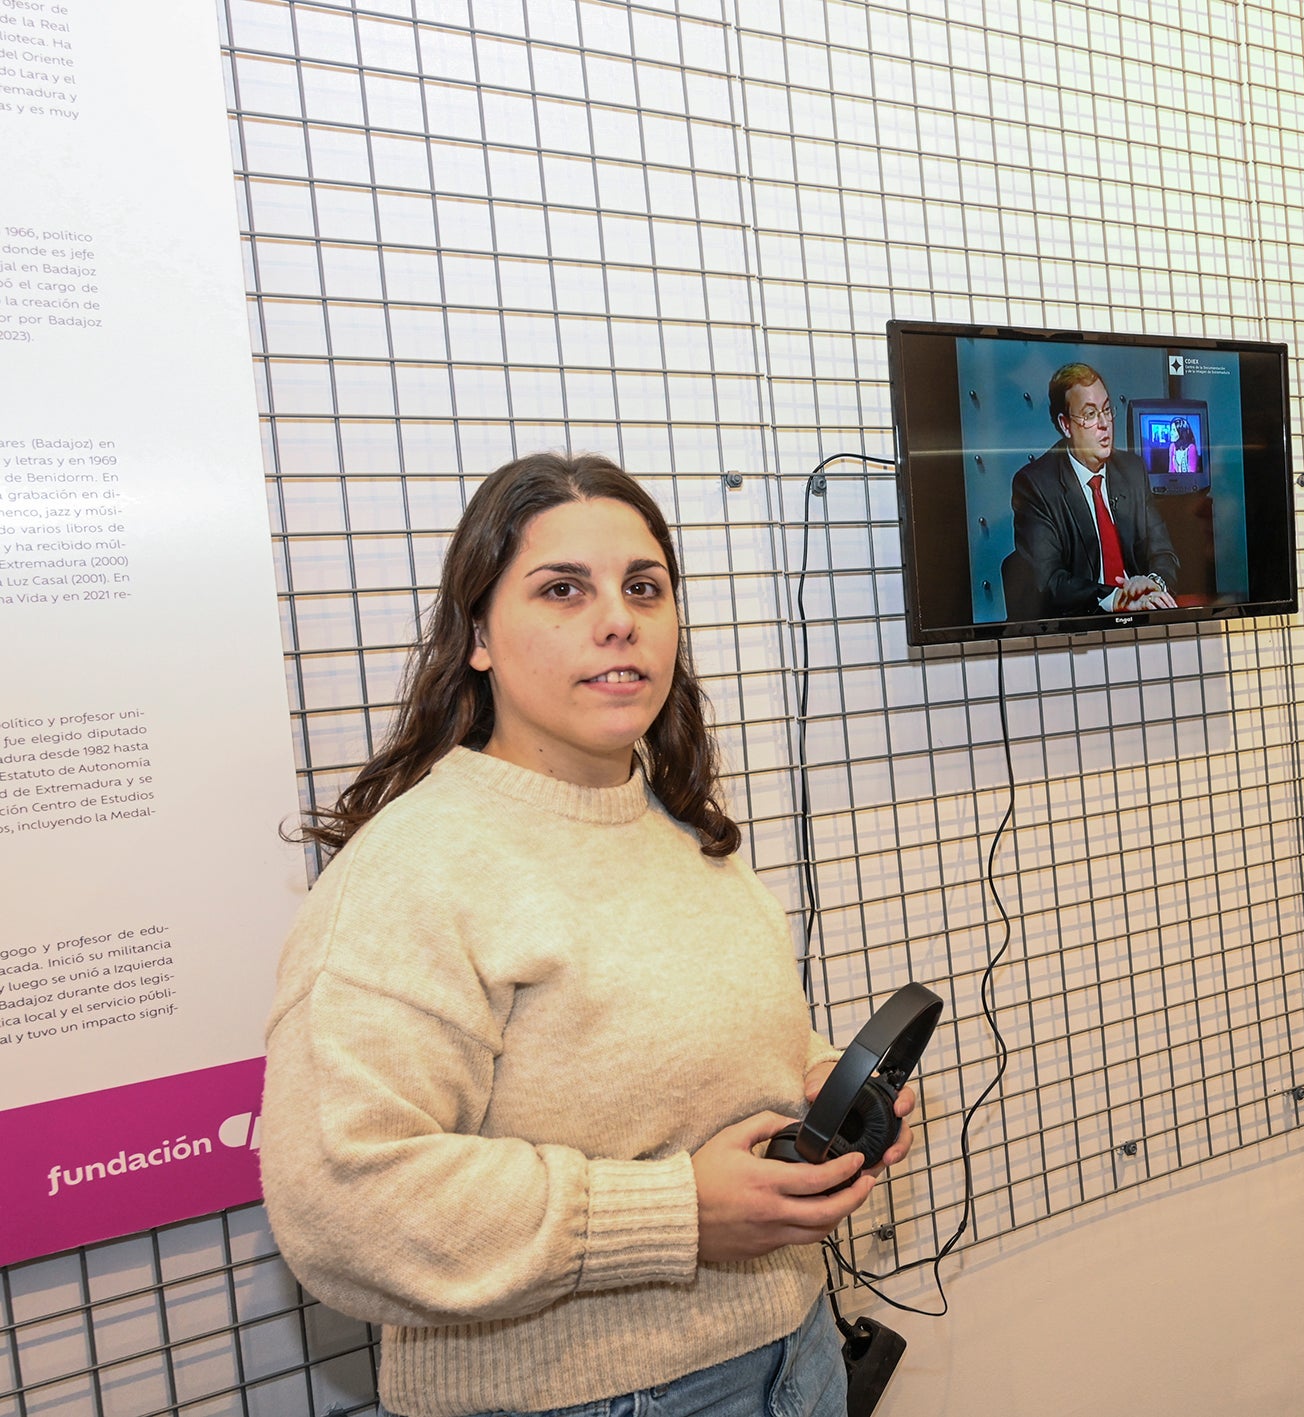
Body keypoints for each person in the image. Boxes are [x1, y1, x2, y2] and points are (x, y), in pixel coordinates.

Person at [260, 452, 911, 1417]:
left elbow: (667, 1053)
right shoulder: (414, 870)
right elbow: (346, 1204)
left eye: (643, 587)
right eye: (563, 588)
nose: (618, 617)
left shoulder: (679, 825)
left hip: (793, 1352)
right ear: (477, 633)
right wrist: (677, 1215)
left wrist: (817, 1087)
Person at [1006, 362, 1181, 618]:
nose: (1104, 424)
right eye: (1089, 415)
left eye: (1107, 410)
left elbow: (1163, 551)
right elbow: (1049, 582)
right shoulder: (1036, 485)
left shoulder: (1131, 470)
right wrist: (1113, 598)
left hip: (1140, 619)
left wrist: (1153, 581)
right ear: (1066, 425)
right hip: (1080, 629)